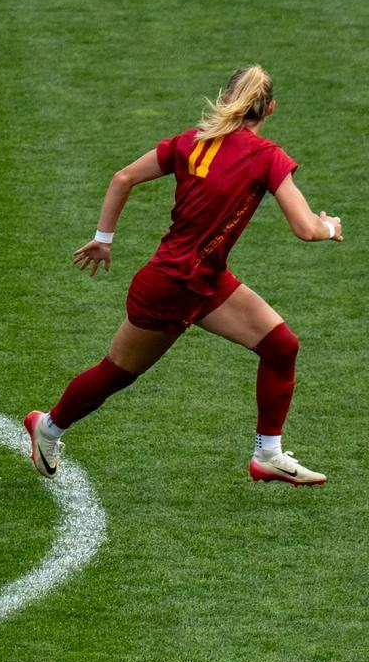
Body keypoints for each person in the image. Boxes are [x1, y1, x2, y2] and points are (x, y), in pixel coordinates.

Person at [25, 66, 342, 486]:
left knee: (281, 346)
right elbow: (306, 228)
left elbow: (123, 177)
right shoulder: (267, 157)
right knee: (117, 372)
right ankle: (47, 427)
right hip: (170, 287)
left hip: (207, 280)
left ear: (227, 97)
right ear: (271, 108)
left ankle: (268, 453)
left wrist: (104, 238)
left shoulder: (191, 142)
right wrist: (330, 227)